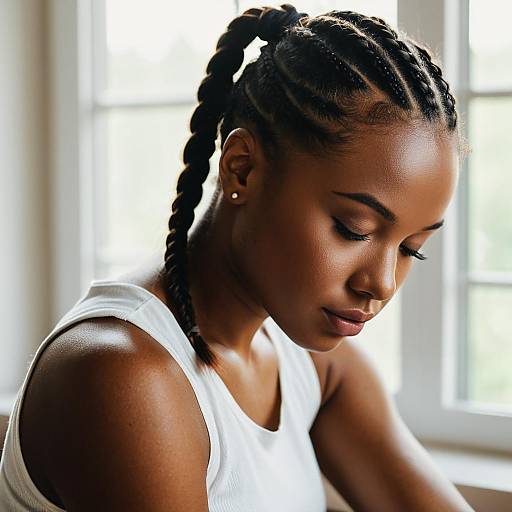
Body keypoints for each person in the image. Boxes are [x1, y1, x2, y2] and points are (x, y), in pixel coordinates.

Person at [0, 4, 474, 511]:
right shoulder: (122, 374)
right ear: (242, 170)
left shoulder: (312, 367)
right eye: (352, 229)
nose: (380, 285)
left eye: (411, 250)